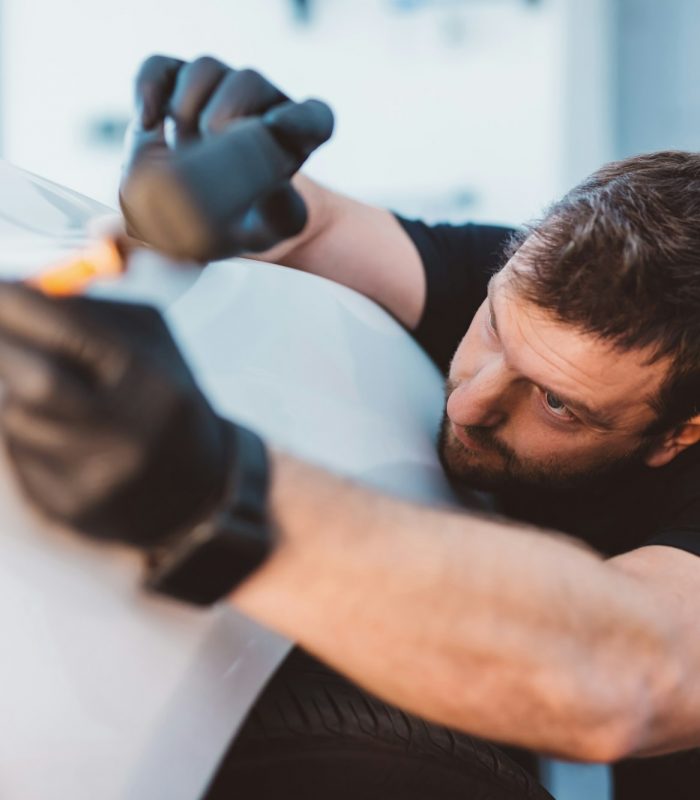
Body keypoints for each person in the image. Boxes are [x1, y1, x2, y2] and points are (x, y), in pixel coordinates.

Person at [2, 55, 700, 796]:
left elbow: (636, 674)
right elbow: (314, 226)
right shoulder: (548, 292)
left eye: (557, 404)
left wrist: (219, 497)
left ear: (680, 433)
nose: (468, 406)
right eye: (492, 327)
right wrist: (221, 178)